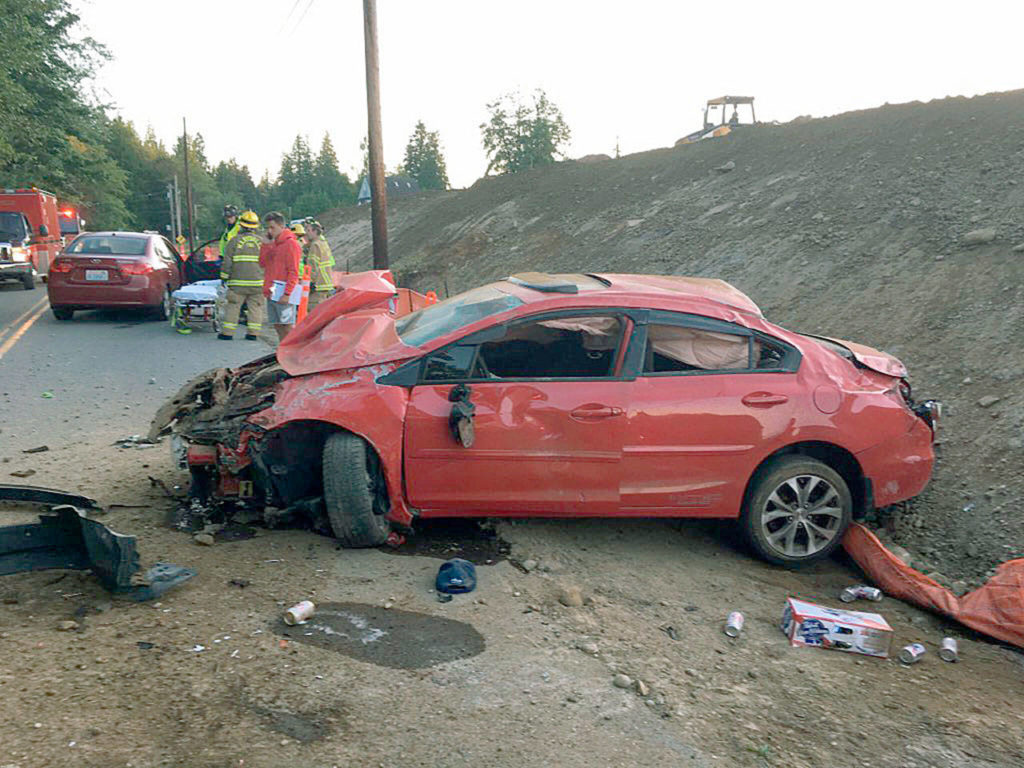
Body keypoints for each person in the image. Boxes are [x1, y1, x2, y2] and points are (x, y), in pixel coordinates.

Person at [218, 210, 264, 341]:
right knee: (255, 308)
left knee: (233, 306)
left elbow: (227, 262)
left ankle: (227, 333)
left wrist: (224, 277)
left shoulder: (233, 241)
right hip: (258, 283)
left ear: (241, 225)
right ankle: (253, 334)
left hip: (237, 283)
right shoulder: (262, 242)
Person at [259, 211, 301, 342]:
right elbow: (262, 263)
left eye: (272, 227)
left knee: (287, 326)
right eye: (267, 228)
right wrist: (266, 245)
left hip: (283, 291)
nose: (270, 231)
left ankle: (292, 353)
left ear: (281, 226)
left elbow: (293, 271)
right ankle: (282, 351)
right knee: (277, 325)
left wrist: (287, 293)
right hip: (272, 291)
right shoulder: (273, 244)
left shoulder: (290, 244)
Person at [304, 219, 334, 311]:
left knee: (313, 310)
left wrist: (310, 282)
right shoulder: (323, 243)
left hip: (318, 284)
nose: (306, 233)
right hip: (326, 282)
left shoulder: (315, 245)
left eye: (309, 230)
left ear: (315, 231)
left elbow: (313, 265)